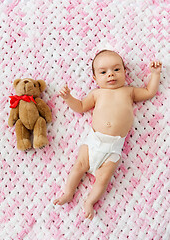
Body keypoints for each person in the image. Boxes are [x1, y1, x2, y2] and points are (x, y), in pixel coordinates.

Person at [53, 50, 162, 220]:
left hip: (114, 146)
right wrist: (68, 98)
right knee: (78, 167)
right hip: (94, 141)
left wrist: (155, 74)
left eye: (116, 70)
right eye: (103, 72)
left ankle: (89, 201)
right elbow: (81, 107)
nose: (110, 74)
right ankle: (68, 192)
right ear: (95, 78)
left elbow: (149, 92)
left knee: (103, 179)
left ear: (125, 72)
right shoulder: (97, 93)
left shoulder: (129, 91)